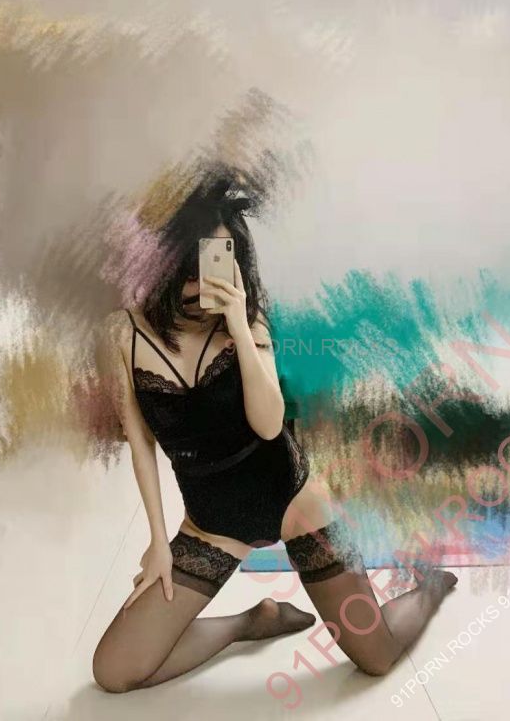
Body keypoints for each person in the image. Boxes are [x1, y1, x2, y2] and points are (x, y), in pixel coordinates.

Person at [91, 180, 457, 694]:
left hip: (294, 502)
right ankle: (251, 622)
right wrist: (157, 542)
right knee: (113, 672)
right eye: (192, 258)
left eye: (219, 257)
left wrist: (240, 328)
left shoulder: (248, 323)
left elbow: (268, 425)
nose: (204, 274)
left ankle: (430, 588)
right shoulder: (121, 333)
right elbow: (140, 444)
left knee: (375, 657)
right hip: (212, 523)